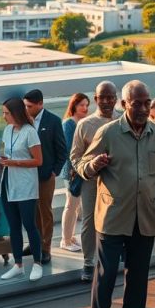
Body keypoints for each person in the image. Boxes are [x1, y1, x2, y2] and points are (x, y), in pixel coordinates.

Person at [78, 80, 155, 308]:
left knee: (139, 277)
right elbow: (82, 166)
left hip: (145, 216)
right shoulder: (108, 133)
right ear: (124, 105)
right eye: (137, 103)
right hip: (112, 217)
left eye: (147, 102)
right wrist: (93, 165)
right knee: (105, 278)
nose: (143, 108)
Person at [71, 81, 120, 282]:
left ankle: (112, 261)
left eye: (111, 97)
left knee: (116, 221)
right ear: (96, 98)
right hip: (92, 180)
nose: (107, 101)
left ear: (116, 98)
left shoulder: (124, 120)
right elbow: (75, 157)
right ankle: (88, 262)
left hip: (117, 179)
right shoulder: (85, 125)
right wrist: (91, 166)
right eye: (103, 97)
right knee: (89, 221)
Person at [0, 97, 44, 281]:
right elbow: (7, 154)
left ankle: (38, 264)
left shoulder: (30, 132)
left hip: (25, 185)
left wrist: (14, 162)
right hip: (8, 183)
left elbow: (38, 161)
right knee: (13, 226)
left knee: (29, 225)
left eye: (6, 113)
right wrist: (0, 159)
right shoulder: (7, 130)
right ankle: (18, 265)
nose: (3, 117)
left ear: (16, 113)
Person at [22, 89, 67, 264]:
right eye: (25, 106)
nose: (26, 109)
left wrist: (54, 171)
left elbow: (62, 150)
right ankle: (34, 244)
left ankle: (45, 249)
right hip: (27, 176)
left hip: (45, 176)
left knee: (45, 213)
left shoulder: (53, 121)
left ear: (40, 104)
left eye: (29, 106)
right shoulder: (24, 121)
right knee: (31, 212)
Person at [60, 92, 89, 252]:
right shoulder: (69, 124)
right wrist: (73, 169)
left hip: (81, 170)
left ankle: (70, 237)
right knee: (71, 205)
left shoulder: (83, 122)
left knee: (76, 206)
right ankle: (65, 240)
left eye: (86, 104)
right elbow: (70, 150)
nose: (85, 108)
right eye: (81, 105)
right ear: (74, 106)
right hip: (72, 171)